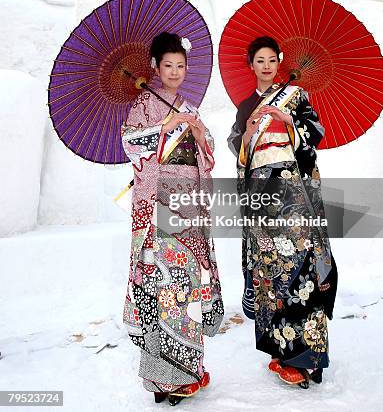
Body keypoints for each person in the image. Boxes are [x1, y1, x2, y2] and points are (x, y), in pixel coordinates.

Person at [227, 36, 337, 388]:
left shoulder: (295, 96)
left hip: (291, 190)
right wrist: (247, 136)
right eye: (259, 60)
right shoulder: (245, 107)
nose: (266, 65)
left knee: (301, 264)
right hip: (261, 193)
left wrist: (287, 122)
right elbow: (239, 150)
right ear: (251, 65)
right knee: (270, 272)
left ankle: (306, 356)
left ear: (279, 62)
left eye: (272, 59)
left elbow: (315, 132)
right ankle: (281, 350)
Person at [121, 31, 224, 406]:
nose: (176, 72)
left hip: (189, 204)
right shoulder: (142, 106)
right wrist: (163, 128)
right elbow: (130, 145)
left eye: (181, 66)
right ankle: (162, 375)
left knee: (187, 282)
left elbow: (208, 153)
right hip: (160, 201)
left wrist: (199, 132)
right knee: (163, 281)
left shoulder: (187, 105)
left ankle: (187, 369)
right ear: (155, 67)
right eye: (169, 66)